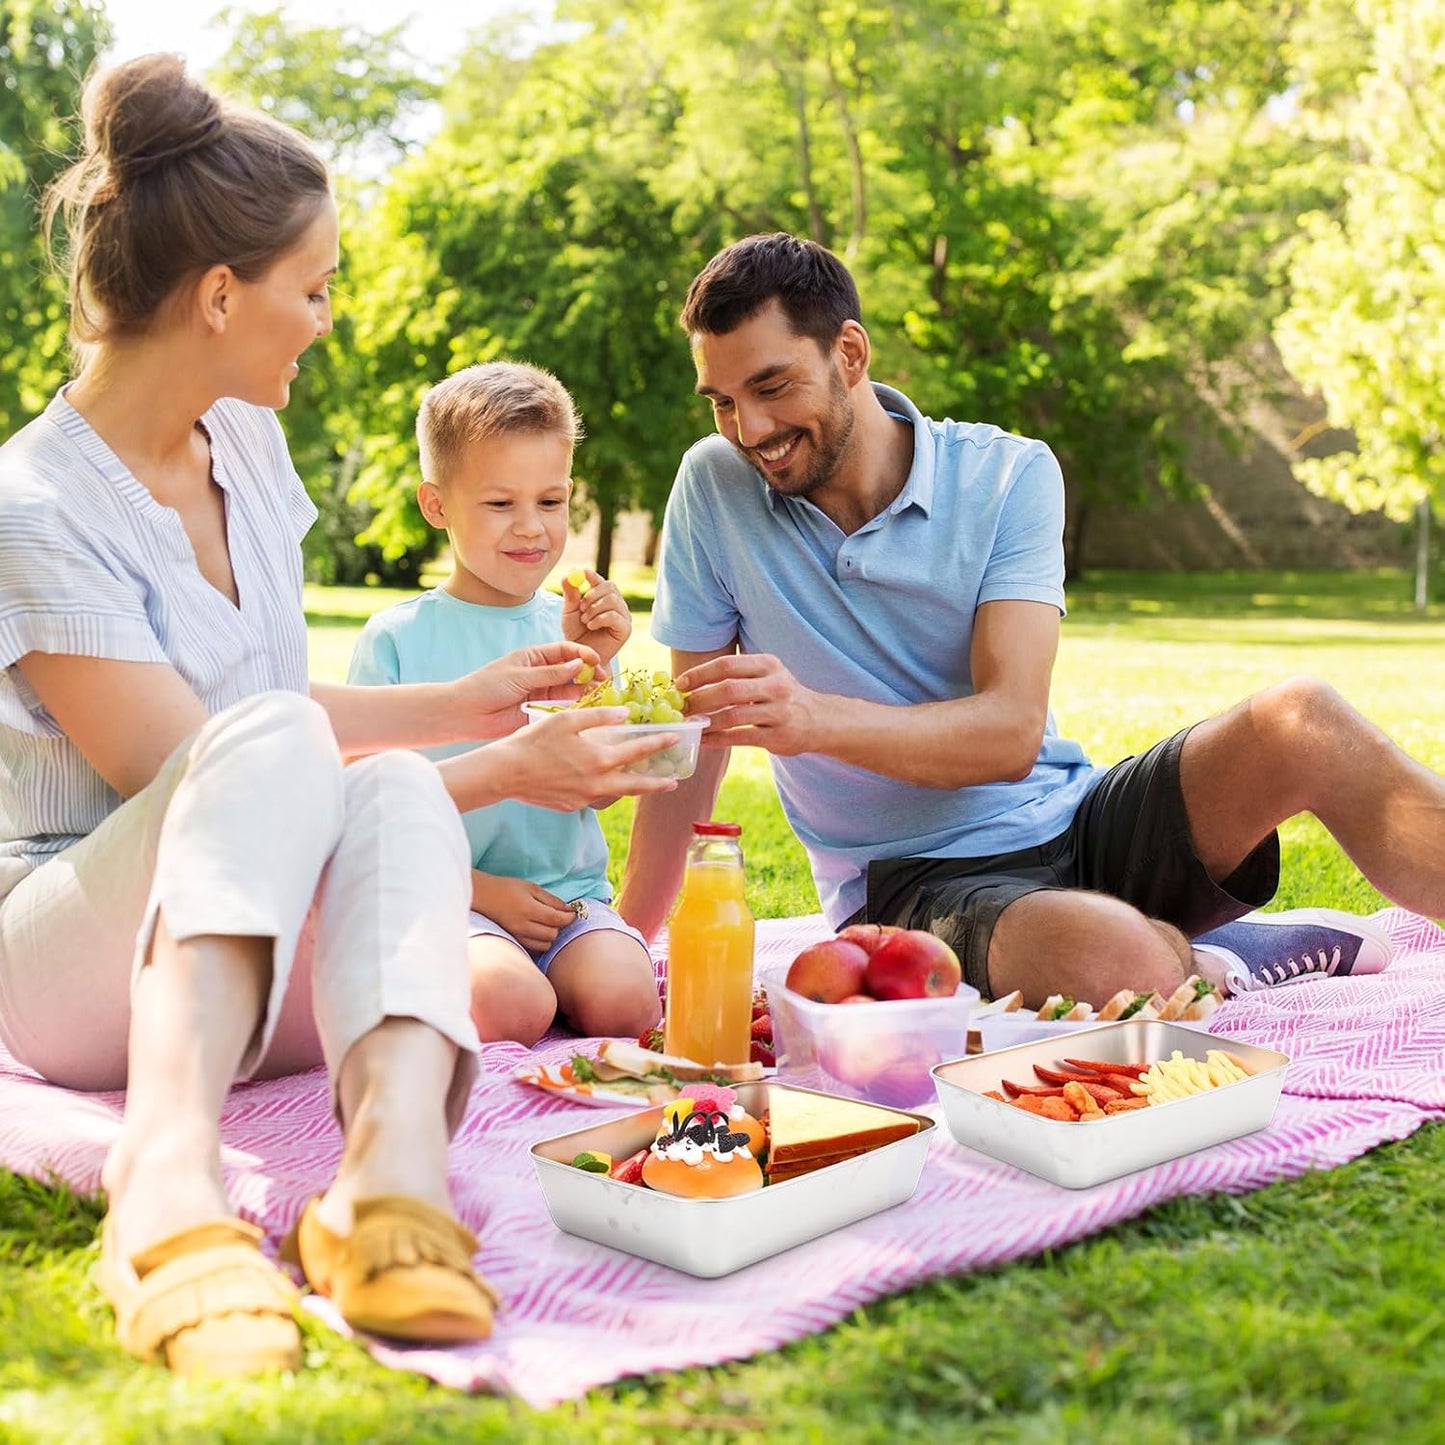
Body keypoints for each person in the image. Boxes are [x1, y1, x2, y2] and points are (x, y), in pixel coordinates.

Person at [0, 55, 675, 1380]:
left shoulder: (247, 442)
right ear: (216, 297)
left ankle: (387, 1174)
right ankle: (168, 1170)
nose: (324, 320)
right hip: (63, 959)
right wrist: (499, 761)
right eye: (310, 290)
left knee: (389, 786)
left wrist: (463, 706)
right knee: (341, 768)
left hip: (247, 934)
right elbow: (206, 771)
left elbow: (278, 727)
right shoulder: (34, 507)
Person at [617, 231, 1445, 1008]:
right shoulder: (714, 486)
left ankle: (1184, 944)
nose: (749, 429)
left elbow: (1010, 734)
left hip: (1076, 819)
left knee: (1302, 720)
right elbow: (694, 740)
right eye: (721, 401)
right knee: (1114, 962)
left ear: (850, 354)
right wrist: (628, 940)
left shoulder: (1008, 475)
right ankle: (1223, 956)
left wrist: (811, 717)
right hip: (913, 881)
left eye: (770, 387)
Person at [347, 362, 662, 1047]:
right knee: (510, 1004)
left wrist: (599, 662)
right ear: (437, 506)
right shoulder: (398, 639)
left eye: (550, 502)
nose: (531, 529)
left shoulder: (572, 627)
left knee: (627, 999)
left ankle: (551, 979)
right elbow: (372, 811)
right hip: (448, 895)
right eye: (500, 504)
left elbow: (600, 790)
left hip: (566, 897)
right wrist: (480, 892)